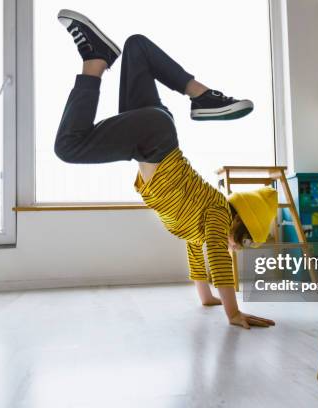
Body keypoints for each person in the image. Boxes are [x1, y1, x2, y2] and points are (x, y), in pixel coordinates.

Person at [54, 9, 276, 329]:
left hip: (153, 130)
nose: (236, 248)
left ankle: (201, 97)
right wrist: (232, 311)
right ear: (238, 224)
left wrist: (207, 297)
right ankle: (96, 62)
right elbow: (218, 256)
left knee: (137, 47)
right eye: (242, 242)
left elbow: (198, 258)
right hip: (152, 141)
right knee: (69, 146)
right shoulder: (217, 214)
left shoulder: (198, 223)